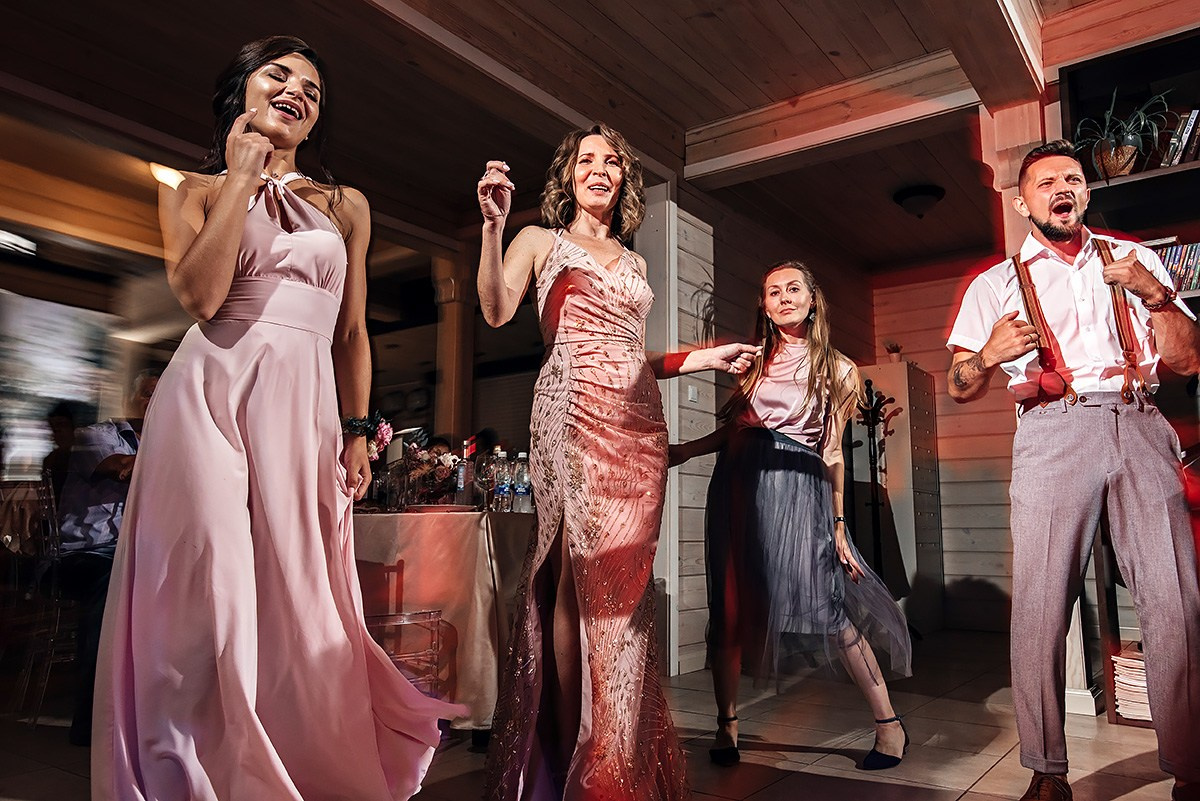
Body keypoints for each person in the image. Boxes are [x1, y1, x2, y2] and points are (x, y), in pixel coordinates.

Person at [92, 36, 461, 801]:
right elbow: (202, 298)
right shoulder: (190, 188)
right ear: (245, 87)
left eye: (313, 89)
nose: (297, 91)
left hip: (302, 413)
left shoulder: (346, 205)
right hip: (206, 400)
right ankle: (197, 772)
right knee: (209, 593)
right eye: (280, 74)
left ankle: (290, 758)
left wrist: (357, 430)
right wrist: (240, 179)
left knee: (297, 593)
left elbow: (352, 331)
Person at [476, 123, 758, 799]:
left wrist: (706, 357)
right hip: (570, 414)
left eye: (611, 161)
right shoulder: (539, 240)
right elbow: (495, 310)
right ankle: (572, 757)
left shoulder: (634, 262)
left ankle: (614, 748)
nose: (598, 169)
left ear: (623, 178)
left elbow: (634, 357)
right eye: (586, 160)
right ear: (568, 175)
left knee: (623, 594)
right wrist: (491, 225)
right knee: (574, 582)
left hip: (636, 429)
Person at [947, 139, 1200, 801]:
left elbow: (1190, 360)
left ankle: (1191, 764)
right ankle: (1046, 770)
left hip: (1139, 420)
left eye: (1072, 178)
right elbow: (959, 384)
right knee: (1041, 604)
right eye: (1046, 182)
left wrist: (1156, 296)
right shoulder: (994, 285)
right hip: (1052, 430)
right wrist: (989, 354)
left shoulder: (1136, 260)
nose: (1062, 188)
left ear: (1085, 192)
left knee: (1176, 600)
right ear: (1023, 202)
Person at [671, 261, 912, 769]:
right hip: (737, 488)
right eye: (773, 292)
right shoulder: (752, 361)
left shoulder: (839, 369)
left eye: (793, 288)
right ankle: (727, 725)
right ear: (764, 305)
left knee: (827, 607)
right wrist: (686, 451)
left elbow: (833, 451)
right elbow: (738, 429)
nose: (783, 298)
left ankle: (889, 725)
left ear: (812, 299)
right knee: (730, 607)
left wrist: (839, 525)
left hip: (798, 492)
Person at [55, 371, 156, 746]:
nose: (153, 402)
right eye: (147, 394)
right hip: (80, 555)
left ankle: (155, 712)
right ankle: (90, 722)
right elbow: (119, 467)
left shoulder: (160, 440)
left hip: (128, 554)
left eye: (160, 395)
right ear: (128, 398)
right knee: (111, 579)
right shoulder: (94, 435)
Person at [43, 400, 83, 502]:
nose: (57, 432)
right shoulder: (51, 460)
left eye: (62, 425)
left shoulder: (86, 456)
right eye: (53, 428)